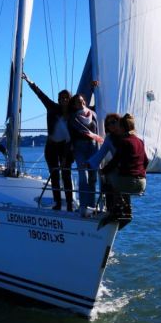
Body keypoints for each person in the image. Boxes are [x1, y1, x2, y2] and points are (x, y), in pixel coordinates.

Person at [22, 72, 74, 211]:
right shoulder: (52, 107)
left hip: (65, 148)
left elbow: (89, 110)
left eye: (66, 98)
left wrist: (94, 88)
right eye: (61, 98)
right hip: (51, 147)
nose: (64, 100)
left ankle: (69, 204)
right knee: (54, 175)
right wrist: (29, 81)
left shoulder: (74, 114)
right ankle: (57, 203)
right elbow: (40, 95)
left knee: (66, 175)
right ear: (58, 100)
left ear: (70, 99)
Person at [68, 94, 103, 216]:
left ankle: (92, 206)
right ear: (74, 105)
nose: (81, 103)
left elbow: (97, 131)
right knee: (84, 177)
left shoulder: (93, 114)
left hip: (93, 147)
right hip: (79, 148)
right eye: (78, 102)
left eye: (83, 101)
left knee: (93, 178)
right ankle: (83, 206)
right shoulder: (73, 118)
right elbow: (77, 132)